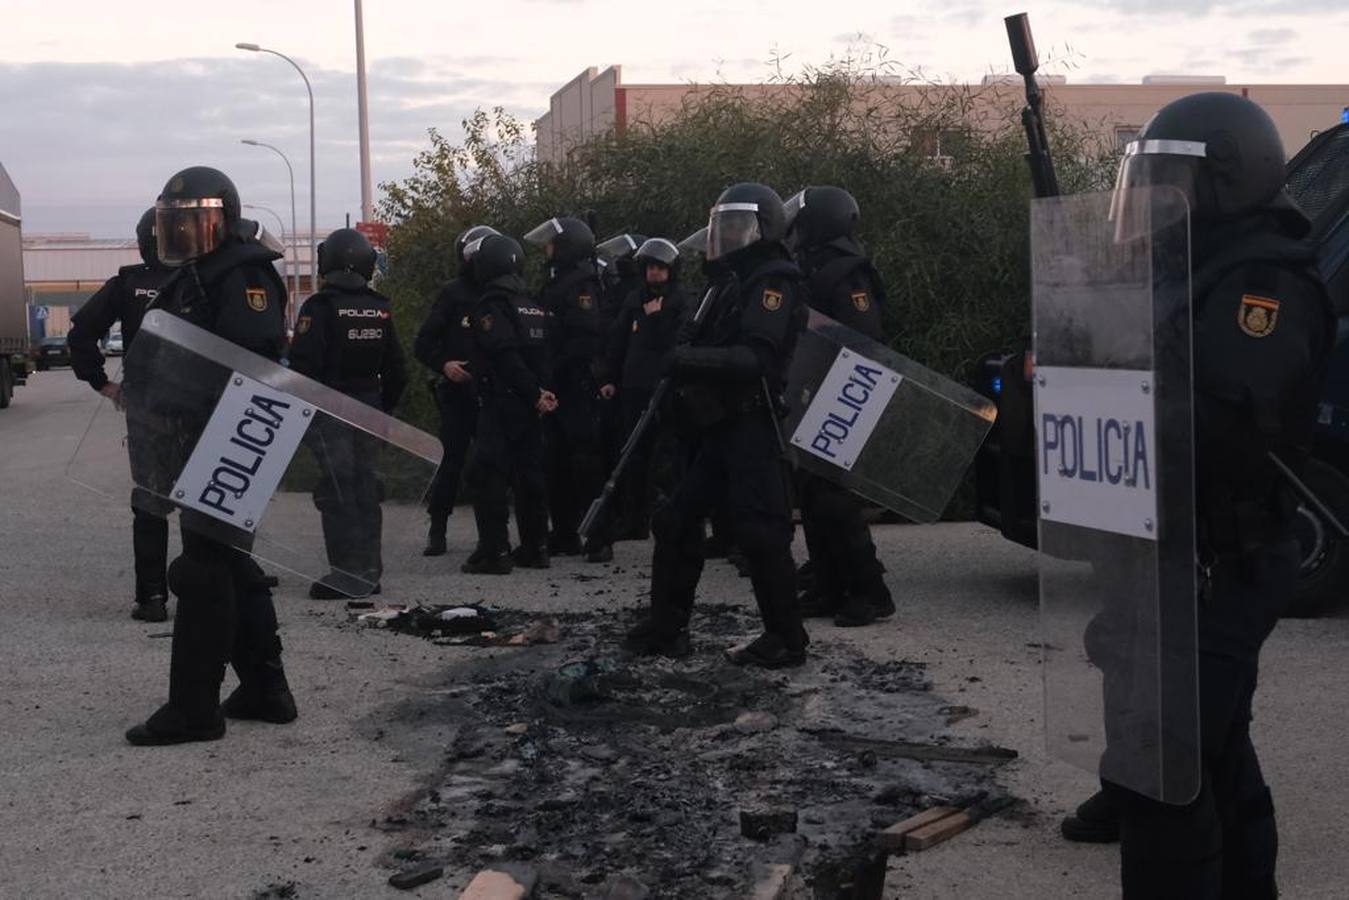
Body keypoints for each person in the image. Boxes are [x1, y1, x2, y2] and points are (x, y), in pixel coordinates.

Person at [1081, 93, 1334, 897]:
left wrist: (1116, 395)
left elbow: (1229, 419)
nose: (1154, 200)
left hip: (1224, 558)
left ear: (1224, 179)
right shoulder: (1184, 268)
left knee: (1170, 765)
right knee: (1217, 747)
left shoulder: (1261, 280)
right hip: (1169, 552)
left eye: (1169, 182)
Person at [125, 166, 295, 745]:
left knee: (202, 570)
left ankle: (194, 710)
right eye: (177, 223)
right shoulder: (198, 274)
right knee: (225, 561)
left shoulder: (241, 272)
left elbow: (247, 356)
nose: (186, 234)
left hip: (233, 436)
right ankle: (266, 690)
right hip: (200, 436)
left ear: (223, 219)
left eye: (197, 221)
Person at [623, 183, 809, 668]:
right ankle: (666, 627)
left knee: (763, 536)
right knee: (675, 522)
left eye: (736, 225)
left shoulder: (775, 282)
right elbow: (693, 336)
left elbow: (755, 359)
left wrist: (689, 360)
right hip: (720, 428)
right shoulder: (727, 284)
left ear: (762, 228)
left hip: (753, 425)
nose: (726, 235)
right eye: (721, 226)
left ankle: (786, 639)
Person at [783, 185, 896, 627]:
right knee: (811, 493)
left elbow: (863, 337)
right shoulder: (817, 267)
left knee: (832, 495)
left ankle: (871, 590)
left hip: (849, 391)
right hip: (820, 390)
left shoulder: (847, 273)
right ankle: (830, 584)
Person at [287, 228, 408, 599]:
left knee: (338, 489)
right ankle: (370, 568)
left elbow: (303, 366)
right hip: (370, 407)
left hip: (332, 409)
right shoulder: (380, 307)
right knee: (365, 488)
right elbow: (398, 370)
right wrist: (381, 410)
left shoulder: (319, 308)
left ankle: (346, 574)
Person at [68, 207, 174, 622]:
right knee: (213, 499)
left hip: (146, 404)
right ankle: (221, 592)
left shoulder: (129, 284)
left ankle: (152, 599)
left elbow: (80, 334)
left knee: (150, 500)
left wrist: (103, 384)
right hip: (205, 404)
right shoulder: (206, 281)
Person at [461, 233, 557, 574]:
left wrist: (531, 393)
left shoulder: (492, 305)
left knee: (487, 476)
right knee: (530, 475)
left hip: (503, 402)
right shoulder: (532, 304)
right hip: (532, 405)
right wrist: (541, 393)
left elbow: (505, 356)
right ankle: (536, 548)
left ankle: (495, 554)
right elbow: (545, 354)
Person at [524, 216, 611, 562]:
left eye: (552, 243)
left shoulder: (581, 286)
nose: (546, 248)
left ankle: (600, 536)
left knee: (586, 461)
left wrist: (556, 368)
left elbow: (585, 337)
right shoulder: (557, 282)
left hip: (576, 383)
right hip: (558, 384)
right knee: (555, 461)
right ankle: (564, 533)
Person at [598, 237, 690, 540]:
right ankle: (635, 519)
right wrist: (609, 377)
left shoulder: (679, 300)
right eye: (650, 267)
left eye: (660, 268)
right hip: (633, 386)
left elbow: (676, 344)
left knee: (665, 456)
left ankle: (669, 518)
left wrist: (656, 318)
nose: (654, 273)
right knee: (633, 453)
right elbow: (618, 340)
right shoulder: (634, 298)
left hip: (663, 388)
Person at [413, 225, 496, 556]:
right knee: (450, 463)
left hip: (492, 393)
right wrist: (445, 365)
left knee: (491, 465)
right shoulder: (453, 293)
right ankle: (438, 528)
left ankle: (491, 535)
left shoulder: (502, 294)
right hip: (458, 394)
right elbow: (424, 343)